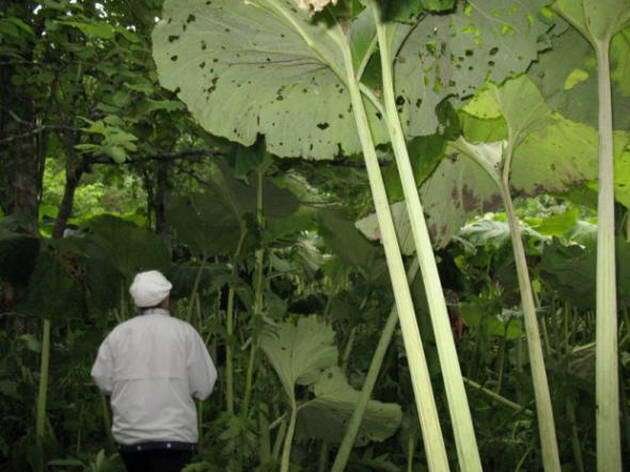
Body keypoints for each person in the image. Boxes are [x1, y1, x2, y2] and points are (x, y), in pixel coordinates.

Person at [91, 270, 217, 472]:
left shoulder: (119, 334)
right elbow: (204, 386)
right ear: (166, 298)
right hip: (176, 437)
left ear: (136, 301)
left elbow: (103, 380)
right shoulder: (184, 332)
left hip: (131, 439)